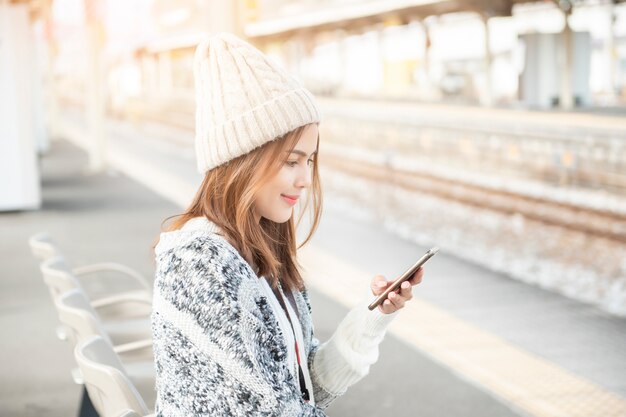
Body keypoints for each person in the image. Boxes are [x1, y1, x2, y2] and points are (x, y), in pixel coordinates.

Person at [150, 32, 425, 416]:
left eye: (310, 161)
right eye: (291, 161)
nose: (305, 179)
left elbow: (302, 386)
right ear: (242, 160)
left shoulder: (256, 253)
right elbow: (268, 408)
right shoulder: (200, 264)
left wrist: (373, 317)